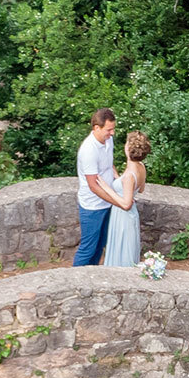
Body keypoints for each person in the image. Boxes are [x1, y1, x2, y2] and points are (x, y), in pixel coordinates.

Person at [72, 108, 118, 266]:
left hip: (107, 202)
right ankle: (75, 280)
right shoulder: (88, 150)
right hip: (92, 206)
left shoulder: (108, 140)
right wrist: (117, 200)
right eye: (109, 129)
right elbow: (93, 185)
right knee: (88, 248)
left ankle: (92, 277)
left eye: (113, 129)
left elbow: (109, 165)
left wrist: (118, 181)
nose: (112, 133)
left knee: (100, 245)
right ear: (96, 128)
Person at [98, 131, 149, 267]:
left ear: (128, 148)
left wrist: (106, 188)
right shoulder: (141, 167)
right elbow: (140, 189)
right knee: (126, 250)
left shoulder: (129, 176)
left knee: (121, 251)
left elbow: (126, 204)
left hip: (123, 216)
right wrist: (117, 176)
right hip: (131, 215)